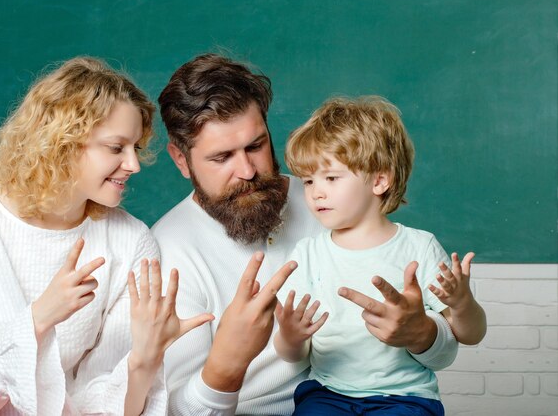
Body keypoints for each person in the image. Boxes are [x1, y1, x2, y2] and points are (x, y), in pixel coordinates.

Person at [152, 53, 461, 415]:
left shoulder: (328, 202)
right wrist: (227, 363)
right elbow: (176, 409)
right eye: (221, 158)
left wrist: (422, 334)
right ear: (180, 159)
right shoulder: (168, 248)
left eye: (256, 146)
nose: (248, 171)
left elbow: (442, 351)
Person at [0, 57, 212, 416]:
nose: (134, 164)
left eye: (136, 148)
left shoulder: (130, 240)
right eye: (116, 148)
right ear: (60, 142)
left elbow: (103, 403)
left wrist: (144, 359)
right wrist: (39, 318)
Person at [274, 96, 487, 415]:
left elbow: (470, 336)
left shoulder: (419, 247)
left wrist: (461, 303)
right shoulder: (307, 253)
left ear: (379, 180)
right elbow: (294, 355)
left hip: (406, 398)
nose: (316, 192)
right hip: (328, 394)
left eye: (331, 178)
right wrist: (290, 337)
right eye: (308, 181)